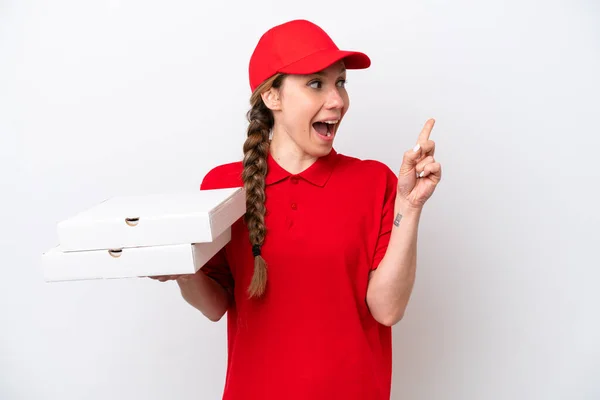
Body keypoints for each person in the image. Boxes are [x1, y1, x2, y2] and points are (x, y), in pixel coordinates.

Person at [151, 19, 442, 400]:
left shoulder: (375, 182)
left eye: (340, 82)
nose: (337, 100)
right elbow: (215, 305)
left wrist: (411, 205)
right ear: (273, 97)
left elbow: (386, 310)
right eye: (316, 83)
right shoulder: (223, 187)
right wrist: (183, 273)